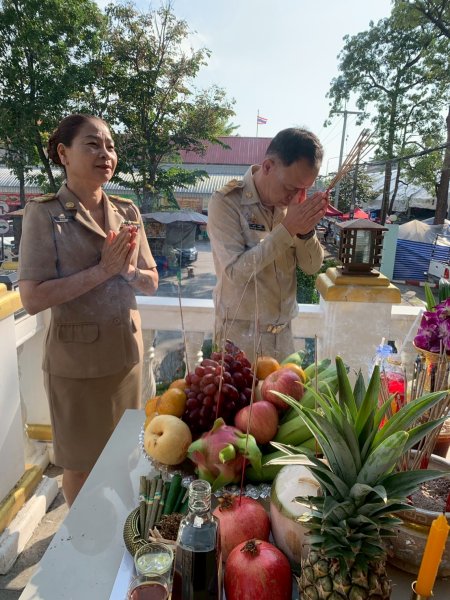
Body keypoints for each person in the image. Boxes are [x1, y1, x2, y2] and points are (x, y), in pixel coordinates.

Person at [18, 114, 158, 506]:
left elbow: (151, 280)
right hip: (76, 367)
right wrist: (102, 271)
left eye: (110, 146)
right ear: (64, 154)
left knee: (124, 457)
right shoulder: (45, 214)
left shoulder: (127, 212)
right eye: (93, 144)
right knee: (80, 466)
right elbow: (32, 298)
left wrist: (129, 272)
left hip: (125, 357)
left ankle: (118, 529)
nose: (106, 154)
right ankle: (82, 538)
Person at [207, 127, 328, 362]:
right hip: (239, 339)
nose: (296, 196)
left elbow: (312, 267)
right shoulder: (227, 202)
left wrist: (305, 231)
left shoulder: (291, 208)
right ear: (268, 166)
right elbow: (235, 273)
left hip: (283, 338)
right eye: (291, 187)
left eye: (305, 189)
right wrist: (287, 229)